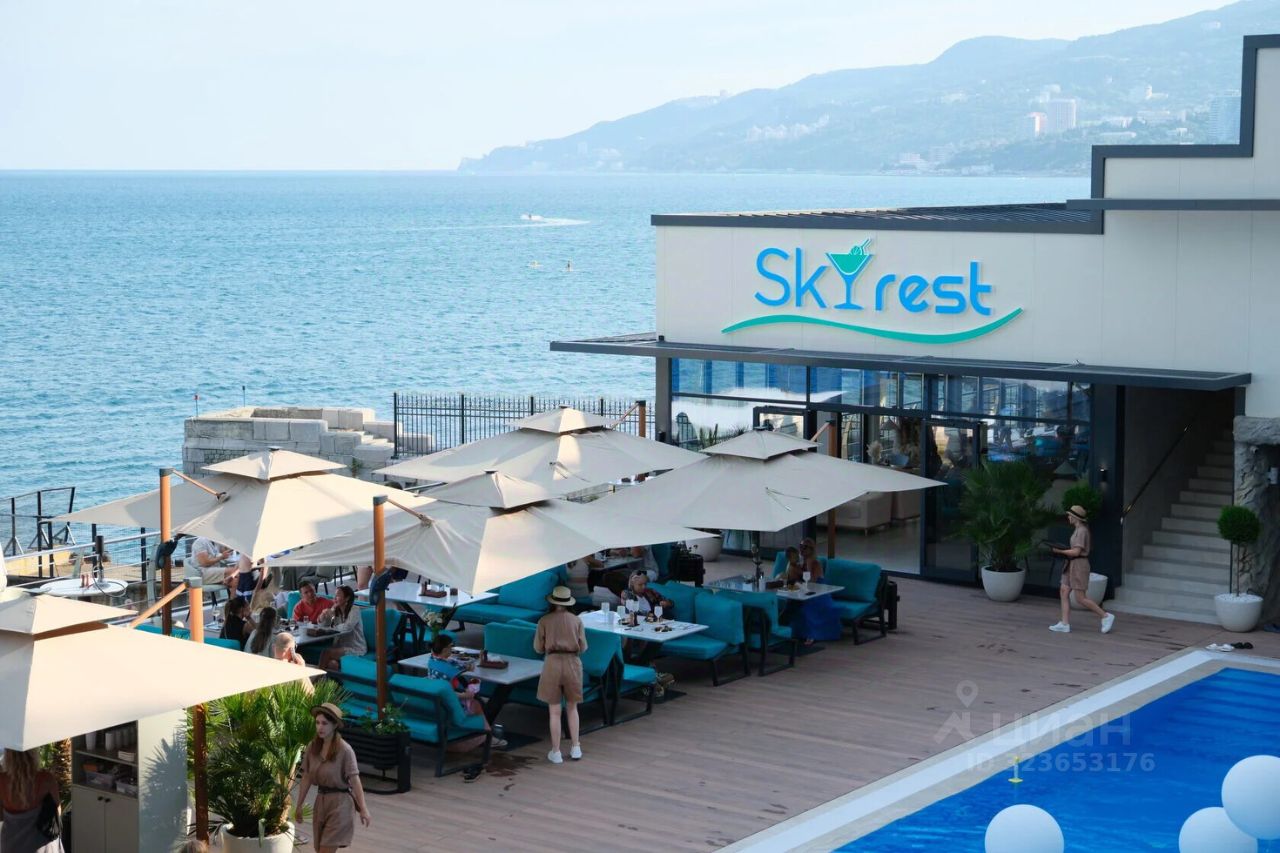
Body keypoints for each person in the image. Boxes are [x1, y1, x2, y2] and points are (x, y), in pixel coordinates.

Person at [294, 703, 371, 853]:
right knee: (319, 849)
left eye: (324, 723)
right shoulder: (312, 747)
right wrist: (299, 805)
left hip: (341, 804)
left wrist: (363, 809)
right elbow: (306, 777)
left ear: (334, 725)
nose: (320, 727)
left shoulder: (345, 750)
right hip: (321, 801)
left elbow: (355, 781)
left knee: (325, 850)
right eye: (317, 723)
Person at [534, 585, 587, 764]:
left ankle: (556, 752)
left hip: (552, 663)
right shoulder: (576, 621)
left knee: (554, 711)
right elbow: (583, 647)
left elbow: (538, 648)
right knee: (572, 707)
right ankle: (576, 747)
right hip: (573, 663)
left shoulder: (544, 621)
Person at [423, 635, 506, 749]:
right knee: (475, 704)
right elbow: (446, 693)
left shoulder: (432, 660)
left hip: (435, 704)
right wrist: (465, 695)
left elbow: (456, 667)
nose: (452, 649)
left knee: (474, 701)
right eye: (451, 647)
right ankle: (487, 737)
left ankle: (486, 735)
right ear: (445, 649)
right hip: (447, 706)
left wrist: (465, 667)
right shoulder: (447, 669)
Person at [1050, 505, 1115, 635]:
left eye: (1070, 515)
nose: (1068, 517)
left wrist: (1060, 551)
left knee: (1080, 598)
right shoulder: (1078, 529)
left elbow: (1076, 552)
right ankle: (1064, 624)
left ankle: (1106, 616)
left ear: (1076, 517)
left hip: (1079, 565)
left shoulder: (1082, 531)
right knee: (1064, 591)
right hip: (1071, 564)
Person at [0, 747, 65, 852]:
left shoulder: (2, 780)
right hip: (40, 845)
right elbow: (57, 812)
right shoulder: (46, 779)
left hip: (11, 844)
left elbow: (1, 816)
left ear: (8, 756)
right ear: (33, 754)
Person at [317, 586, 367, 670]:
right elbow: (324, 625)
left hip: (355, 647)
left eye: (338, 595)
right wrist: (323, 615)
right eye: (334, 595)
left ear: (347, 598)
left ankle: (318, 675)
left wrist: (331, 628)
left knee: (326, 652)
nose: (334, 598)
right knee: (332, 664)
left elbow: (348, 627)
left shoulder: (355, 610)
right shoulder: (335, 610)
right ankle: (328, 677)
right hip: (339, 647)